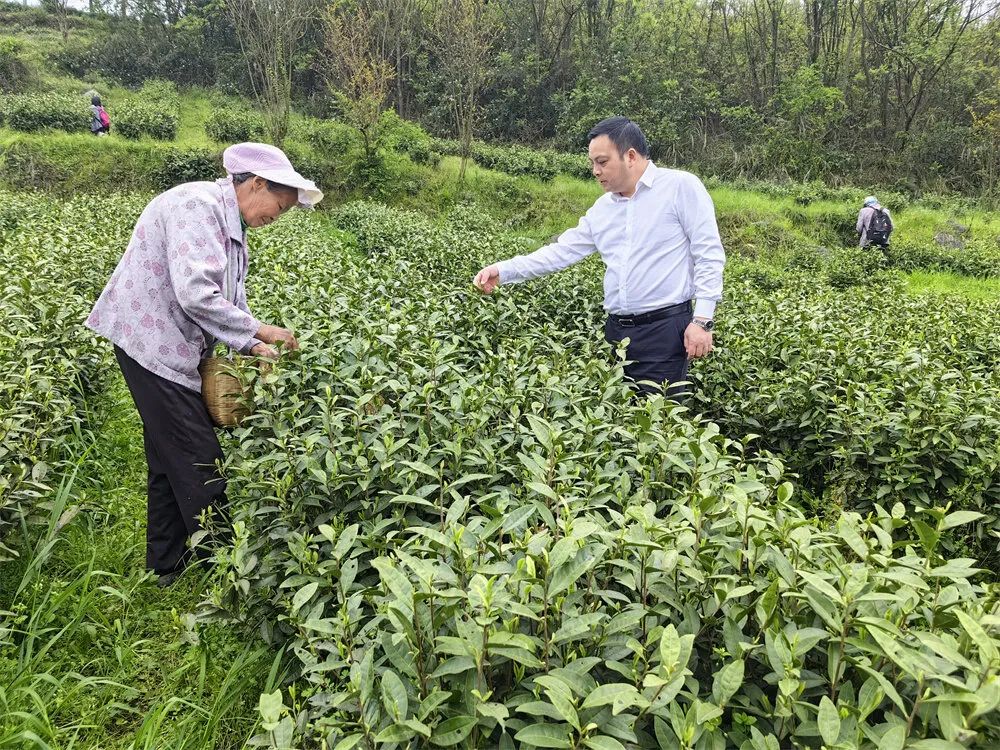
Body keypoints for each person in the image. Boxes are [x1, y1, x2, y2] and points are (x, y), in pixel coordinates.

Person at [85, 142, 323, 587]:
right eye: (279, 204)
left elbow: (231, 297)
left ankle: (166, 566)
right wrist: (263, 330)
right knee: (200, 459)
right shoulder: (198, 207)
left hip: (172, 345)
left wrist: (252, 346)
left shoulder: (231, 228)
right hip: (153, 344)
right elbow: (196, 293)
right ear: (255, 184)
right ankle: (227, 575)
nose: (277, 216)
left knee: (166, 456)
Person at [473, 117, 724, 397]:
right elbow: (561, 251)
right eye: (592, 163)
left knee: (659, 426)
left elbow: (708, 254)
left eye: (602, 162)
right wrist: (503, 271)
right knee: (615, 427)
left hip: (664, 332)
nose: (595, 171)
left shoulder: (680, 187)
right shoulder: (603, 208)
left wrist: (702, 321)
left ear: (630, 156)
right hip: (616, 333)